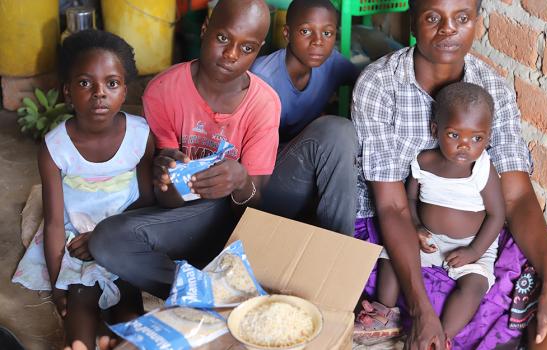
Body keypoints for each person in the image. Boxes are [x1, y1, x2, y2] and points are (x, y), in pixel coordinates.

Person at [351, 0, 547, 349]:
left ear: (475, 22)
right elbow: (393, 207)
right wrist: (420, 312)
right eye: (433, 17)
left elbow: (516, 196)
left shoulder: (493, 89)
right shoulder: (379, 84)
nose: (448, 28)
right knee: (427, 298)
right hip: (401, 231)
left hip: (475, 237)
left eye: (462, 18)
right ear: (413, 24)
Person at [89, 0, 279, 300]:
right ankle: (212, 296)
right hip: (183, 221)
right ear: (205, 29)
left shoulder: (264, 104)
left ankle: (210, 284)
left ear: (259, 50)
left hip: (233, 220)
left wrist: (241, 180)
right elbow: (165, 200)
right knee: (106, 240)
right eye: (222, 38)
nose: (231, 54)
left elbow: (254, 208)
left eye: (247, 48)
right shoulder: (163, 90)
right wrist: (167, 176)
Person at [12, 30, 154, 350]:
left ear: (125, 90)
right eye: (85, 83)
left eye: (112, 83)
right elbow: (51, 223)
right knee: (77, 302)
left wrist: (107, 238)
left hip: (124, 235)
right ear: (67, 91)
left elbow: (147, 201)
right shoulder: (55, 147)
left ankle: (117, 337)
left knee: (130, 309)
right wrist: (56, 286)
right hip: (75, 235)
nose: (99, 93)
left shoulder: (141, 135)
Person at [355, 82, 505, 345]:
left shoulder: (482, 170)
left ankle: (442, 336)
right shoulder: (423, 162)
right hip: (430, 237)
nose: (465, 146)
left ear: (488, 138)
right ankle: (383, 312)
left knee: (475, 285)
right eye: (454, 135)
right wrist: (415, 226)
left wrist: (473, 252)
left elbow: (496, 216)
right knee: (392, 254)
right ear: (436, 130)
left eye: (476, 138)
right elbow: (410, 198)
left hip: (471, 244)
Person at [250, 0, 360, 235]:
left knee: (343, 138)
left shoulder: (331, 63)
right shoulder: (261, 77)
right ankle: (340, 247)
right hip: (262, 183)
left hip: (303, 167)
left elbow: (367, 83)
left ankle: (336, 245)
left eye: (327, 33)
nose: (318, 41)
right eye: (306, 31)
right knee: (336, 130)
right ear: (287, 33)